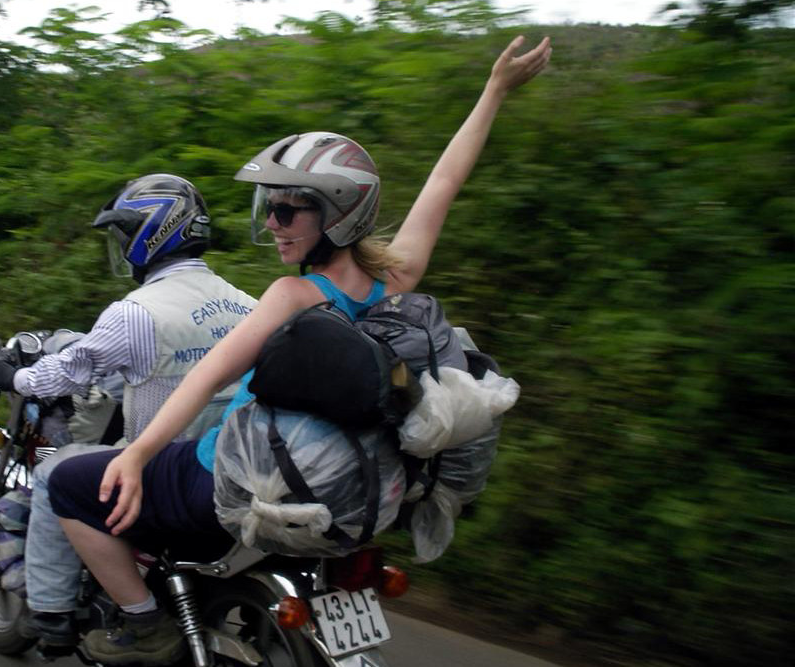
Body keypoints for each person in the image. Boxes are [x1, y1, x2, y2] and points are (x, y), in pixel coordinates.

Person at [46, 35, 552, 665]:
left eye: (289, 211)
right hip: (353, 484)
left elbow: (207, 375)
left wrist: (138, 453)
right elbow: (444, 181)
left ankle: (145, 624)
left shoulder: (292, 295)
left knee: (69, 483)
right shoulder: (394, 279)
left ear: (335, 216)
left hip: (228, 477)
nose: (274, 224)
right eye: (271, 208)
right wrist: (495, 91)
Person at [0, 173, 258, 655]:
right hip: (229, 466)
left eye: (124, 235)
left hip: (158, 474)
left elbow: (65, 374)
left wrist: (10, 378)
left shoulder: (136, 312)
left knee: (53, 473)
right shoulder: (248, 304)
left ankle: (53, 614)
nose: (121, 246)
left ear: (150, 233)